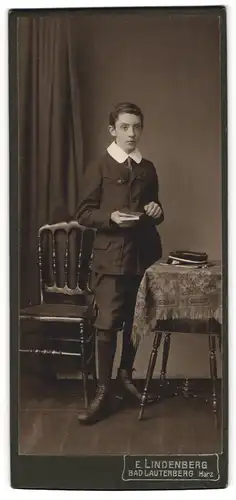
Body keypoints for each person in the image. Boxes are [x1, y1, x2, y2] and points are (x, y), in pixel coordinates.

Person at [76, 102, 164, 424]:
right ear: (113, 129)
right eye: (125, 127)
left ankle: (126, 377)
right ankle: (104, 391)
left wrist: (157, 211)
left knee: (135, 321)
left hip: (143, 258)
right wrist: (110, 217)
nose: (132, 133)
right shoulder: (99, 166)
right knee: (107, 325)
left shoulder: (147, 168)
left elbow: (156, 211)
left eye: (137, 127)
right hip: (110, 259)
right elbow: (84, 213)